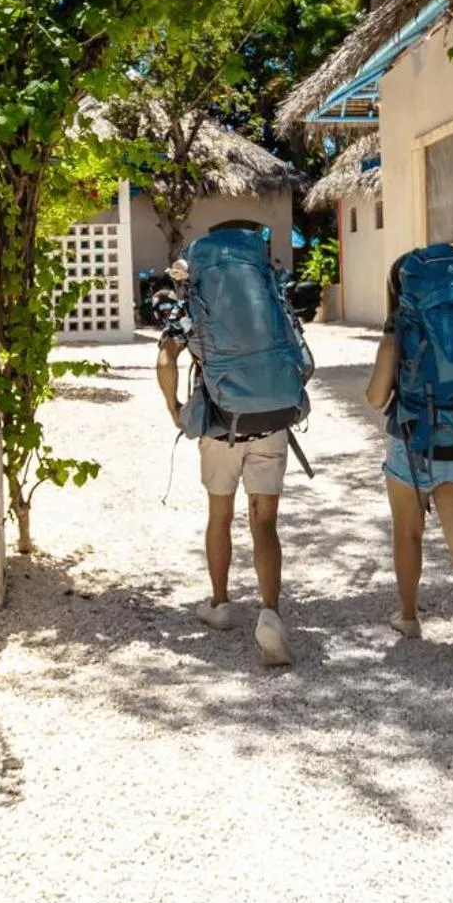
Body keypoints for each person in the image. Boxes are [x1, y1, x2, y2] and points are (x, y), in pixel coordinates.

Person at [156, 220, 304, 667]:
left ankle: (220, 603)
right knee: (265, 522)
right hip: (271, 421)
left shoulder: (191, 303)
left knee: (219, 515)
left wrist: (174, 406)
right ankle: (270, 614)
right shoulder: (270, 293)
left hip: (220, 425)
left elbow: (165, 360)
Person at [366, 252, 453, 675]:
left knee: (408, 533)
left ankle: (409, 616)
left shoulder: (399, 326)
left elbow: (376, 396)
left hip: (411, 442)